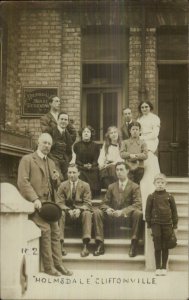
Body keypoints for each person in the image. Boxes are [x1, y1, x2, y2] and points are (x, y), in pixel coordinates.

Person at [17, 133, 73, 276]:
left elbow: (56, 186)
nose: (47, 146)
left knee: (56, 231)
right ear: (38, 143)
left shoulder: (51, 162)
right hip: (34, 206)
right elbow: (23, 182)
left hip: (48, 206)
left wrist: (56, 180)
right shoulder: (28, 160)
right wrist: (35, 199)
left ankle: (59, 264)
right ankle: (49, 268)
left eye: (49, 144)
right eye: (45, 143)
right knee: (46, 230)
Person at [93, 162, 143, 257]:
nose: (119, 172)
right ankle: (100, 243)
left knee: (138, 213)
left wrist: (123, 212)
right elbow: (103, 203)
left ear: (127, 171)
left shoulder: (134, 186)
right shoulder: (111, 186)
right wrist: (108, 209)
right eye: (117, 170)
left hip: (127, 218)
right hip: (112, 216)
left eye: (121, 170)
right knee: (97, 212)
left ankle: (134, 244)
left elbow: (138, 204)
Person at [57, 164, 93, 257]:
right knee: (60, 213)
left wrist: (79, 210)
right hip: (67, 213)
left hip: (80, 214)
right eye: (69, 172)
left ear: (79, 173)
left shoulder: (85, 185)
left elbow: (88, 203)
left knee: (87, 213)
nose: (71, 175)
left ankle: (85, 246)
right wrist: (68, 210)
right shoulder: (62, 185)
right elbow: (59, 203)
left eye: (74, 172)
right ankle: (60, 245)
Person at [145, 173, 178, 276]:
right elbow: (147, 212)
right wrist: (149, 225)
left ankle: (164, 267)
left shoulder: (169, 197)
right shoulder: (151, 197)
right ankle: (158, 268)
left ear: (166, 183)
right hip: (156, 224)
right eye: (158, 182)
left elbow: (174, 212)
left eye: (162, 182)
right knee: (157, 245)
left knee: (165, 246)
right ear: (154, 183)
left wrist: (175, 225)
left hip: (167, 224)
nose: (160, 184)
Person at [137, 101, 161, 214]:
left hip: (150, 146)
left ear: (150, 107)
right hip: (141, 147)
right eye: (142, 107)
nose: (144, 109)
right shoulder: (139, 120)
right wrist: (141, 137)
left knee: (151, 174)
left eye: (146, 107)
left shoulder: (155, 118)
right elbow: (137, 134)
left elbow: (155, 134)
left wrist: (143, 137)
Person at [72, 126, 100, 197]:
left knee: (95, 172)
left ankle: (92, 194)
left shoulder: (96, 146)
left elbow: (96, 159)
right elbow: (77, 159)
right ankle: (81, 195)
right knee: (80, 173)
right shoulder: (77, 145)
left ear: (91, 134)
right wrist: (83, 165)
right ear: (81, 134)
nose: (86, 133)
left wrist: (92, 165)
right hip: (81, 167)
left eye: (88, 132)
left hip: (92, 167)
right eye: (84, 132)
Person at [49, 112, 76, 180]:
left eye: (65, 119)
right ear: (57, 120)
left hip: (64, 160)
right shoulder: (50, 131)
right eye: (62, 119)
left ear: (67, 122)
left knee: (69, 178)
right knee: (59, 178)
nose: (63, 121)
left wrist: (66, 160)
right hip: (52, 159)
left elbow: (69, 151)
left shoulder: (68, 135)